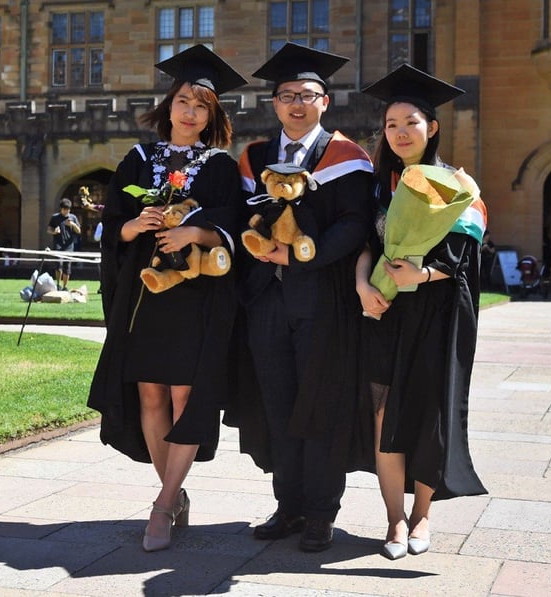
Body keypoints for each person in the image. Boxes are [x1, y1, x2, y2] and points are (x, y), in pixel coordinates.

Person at [88, 44, 245, 552]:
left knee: (184, 394)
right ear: (169, 105)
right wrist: (133, 226)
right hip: (144, 298)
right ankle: (171, 494)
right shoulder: (137, 159)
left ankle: (161, 506)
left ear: (211, 115)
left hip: (196, 298)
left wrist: (195, 234)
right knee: (150, 393)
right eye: (183, 101)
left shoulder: (221, 165)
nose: (189, 112)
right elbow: (112, 223)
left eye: (201, 105)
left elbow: (235, 224)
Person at [223, 42, 375, 553]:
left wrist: (299, 257)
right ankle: (288, 506)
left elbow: (356, 225)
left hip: (323, 302)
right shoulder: (255, 158)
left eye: (307, 95)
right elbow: (241, 220)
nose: (296, 103)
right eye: (286, 95)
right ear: (274, 103)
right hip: (266, 302)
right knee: (278, 404)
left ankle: (320, 513)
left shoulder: (347, 158)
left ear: (324, 102)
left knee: (321, 404)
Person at [356, 64, 489, 560]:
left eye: (410, 122)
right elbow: (363, 243)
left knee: (428, 416)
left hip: (435, 314)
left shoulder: (457, 185)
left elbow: (464, 258)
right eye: (391, 125)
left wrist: (423, 274)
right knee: (383, 413)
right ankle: (393, 522)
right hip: (383, 311)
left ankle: (422, 517)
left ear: (431, 127)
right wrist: (360, 282)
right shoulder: (375, 186)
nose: (400, 133)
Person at [48, 197, 81, 290]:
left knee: (67, 266)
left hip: (69, 245)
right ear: (61, 209)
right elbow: (49, 230)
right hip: (58, 244)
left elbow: (79, 231)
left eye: (68, 210)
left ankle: (65, 286)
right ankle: (58, 284)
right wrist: (54, 232)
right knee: (58, 264)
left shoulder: (73, 218)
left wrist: (73, 225)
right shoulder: (55, 217)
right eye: (65, 209)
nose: (66, 211)